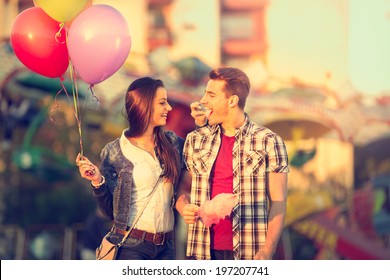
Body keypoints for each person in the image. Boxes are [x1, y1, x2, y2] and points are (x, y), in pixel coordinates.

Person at [175, 67, 289, 260]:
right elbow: (182, 191)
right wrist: (184, 207)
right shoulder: (195, 140)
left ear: (232, 101)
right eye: (205, 93)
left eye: (211, 95)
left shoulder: (269, 141)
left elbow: (278, 202)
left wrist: (267, 250)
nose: (203, 101)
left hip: (250, 251)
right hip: (203, 252)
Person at [75, 77, 185, 260]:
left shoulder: (173, 143)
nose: (169, 108)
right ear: (145, 105)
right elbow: (110, 212)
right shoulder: (115, 151)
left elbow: (201, 152)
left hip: (166, 247)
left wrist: (204, 120)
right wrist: (97, 181)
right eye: (162, 103)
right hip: (132, 247)